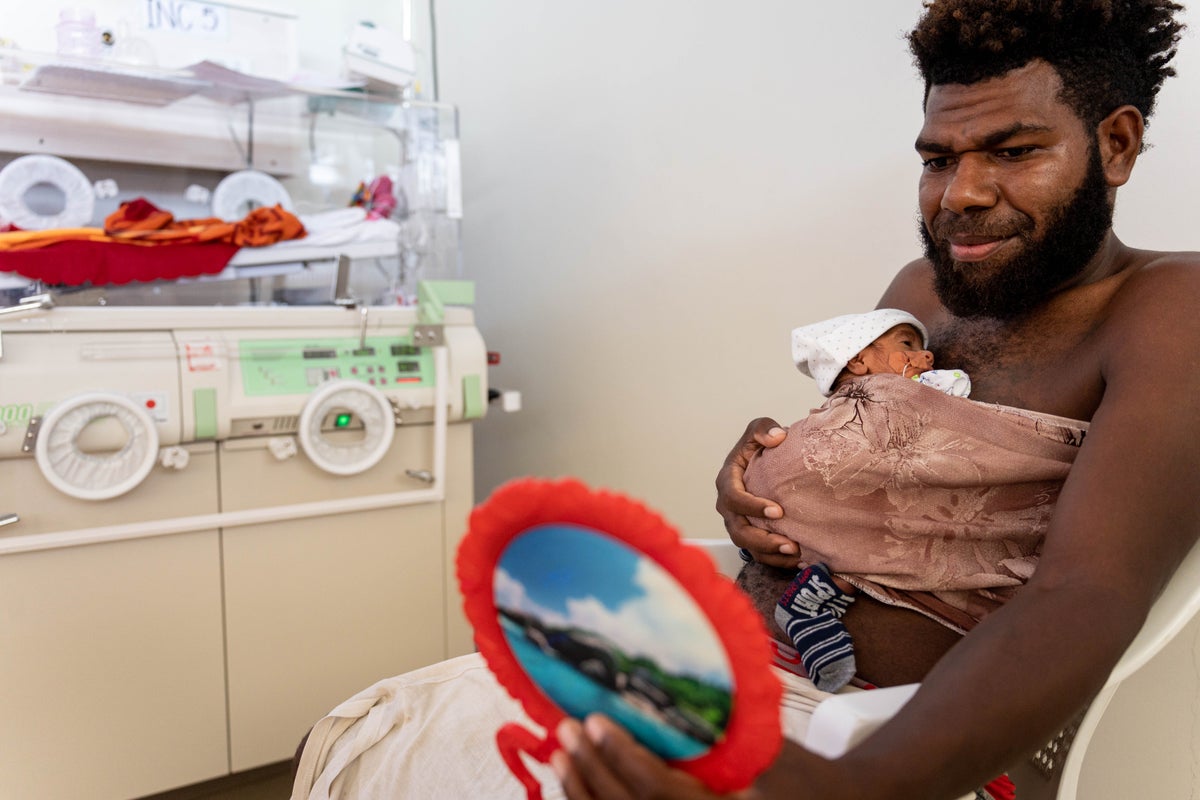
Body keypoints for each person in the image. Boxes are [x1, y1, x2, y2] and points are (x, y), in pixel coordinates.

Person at [552, 2, 1200, 799]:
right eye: (938, 159)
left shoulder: (1172, 307)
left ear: (1116, 144)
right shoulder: (922, 292)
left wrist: (853, 783)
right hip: (737, 670)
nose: (960, 193)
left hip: (891, 746)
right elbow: (861, 460)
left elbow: (1087, 593)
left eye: (1013, 151)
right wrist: (763, 479)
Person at [763, 307, 974, 692]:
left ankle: (815, 595)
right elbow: (957, 389)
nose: (927, 356)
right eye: (907, 344)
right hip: (832, 496)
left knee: (875, 536)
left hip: (860, 506)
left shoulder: (895, 394)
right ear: (858, 361)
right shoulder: (858, 403)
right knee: (869, 535)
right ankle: (809, 596)